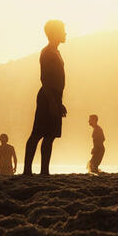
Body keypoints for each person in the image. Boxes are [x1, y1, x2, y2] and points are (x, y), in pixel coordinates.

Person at [23, 20, 67, 176]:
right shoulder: (47, 52)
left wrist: (59, 102)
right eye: (63, 30)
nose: (65, 33)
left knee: (50, 135)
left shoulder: (56, 51)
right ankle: (27, 170)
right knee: (38, 133)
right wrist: (52, 102)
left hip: (55, 96)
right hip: (47, 96)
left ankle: (44, 171)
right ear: (54, 33)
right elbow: (44, 79)